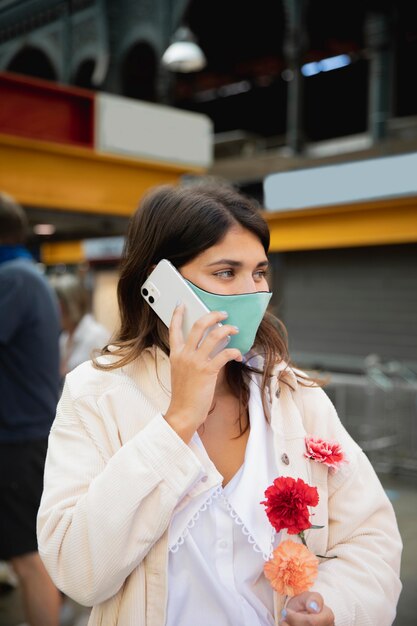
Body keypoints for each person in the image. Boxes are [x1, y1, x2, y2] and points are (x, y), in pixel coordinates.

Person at [37, 183, 402, 626]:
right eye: (226, 272)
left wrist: (333, 606)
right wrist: (177, 423)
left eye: (260, 272)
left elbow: (370, 537)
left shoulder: (294, 396)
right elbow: (77, 571)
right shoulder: (96, 394)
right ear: (162, 283)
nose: (252, 292)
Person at [0, 192, 62, 626]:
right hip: (21, 435)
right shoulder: (26, 275)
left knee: (28, 556)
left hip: (17, 441)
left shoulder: (15, 280)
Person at [49, 272, 110, 378]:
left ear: (70, 305)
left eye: (58, 306)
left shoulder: (96, 335)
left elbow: (105, 378)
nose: (53, 312)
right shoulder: (64, 338)